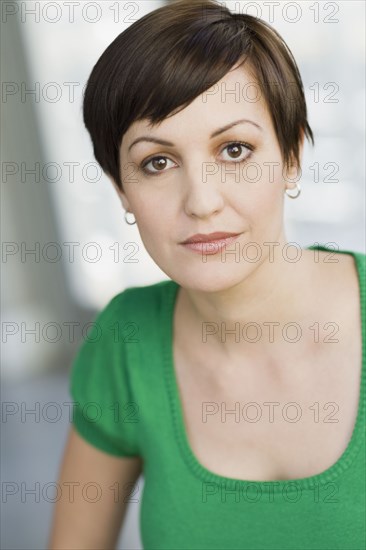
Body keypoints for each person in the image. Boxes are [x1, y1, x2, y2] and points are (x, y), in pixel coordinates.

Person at [48, 1, 366, 548]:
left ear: (291, 156)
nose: (201, 201)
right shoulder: (127, 340)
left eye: (235, 149)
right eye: (157, 162)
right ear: (122, 188)